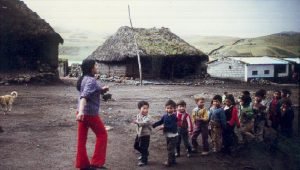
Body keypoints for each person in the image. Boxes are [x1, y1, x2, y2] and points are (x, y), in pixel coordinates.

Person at [76, 59, 109, 170]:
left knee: (81, 139)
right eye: (96, 65)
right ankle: (97, 163)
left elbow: (91, 91)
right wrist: (81, 112)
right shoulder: (91, 80)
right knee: (102, 135)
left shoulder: (83, 79)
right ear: (91, 68)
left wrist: (102, 90)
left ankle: (83, 165)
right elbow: (84, 97)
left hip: (81, 113)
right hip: (89, 114)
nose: (97, 67)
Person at [152, 100, 178, 167]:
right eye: (167, 108)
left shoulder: (174, 117)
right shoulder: (165, 116)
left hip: (173, 136)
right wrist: (154, 125)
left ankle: (169, 162)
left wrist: (164, 127)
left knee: (170, 149)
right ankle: (174, 160)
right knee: (170, 148)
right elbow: (160, 121)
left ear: (174, 109)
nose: (169, 109)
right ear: (165, 108)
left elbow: (172, 126)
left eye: (171, 108)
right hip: (167, 135)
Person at [133, 101, 152, 166]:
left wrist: (137, 122)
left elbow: (144, 123)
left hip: (146, 135)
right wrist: (137, 122)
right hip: (139, 134)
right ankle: (145, 153)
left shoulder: (148, 117)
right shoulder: (138, 115)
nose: (146, 110)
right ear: (139, 109)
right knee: (136, 146)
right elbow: (138, 123)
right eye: (144, 108)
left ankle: (144, 161)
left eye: (147, 108)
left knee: (144, 147)